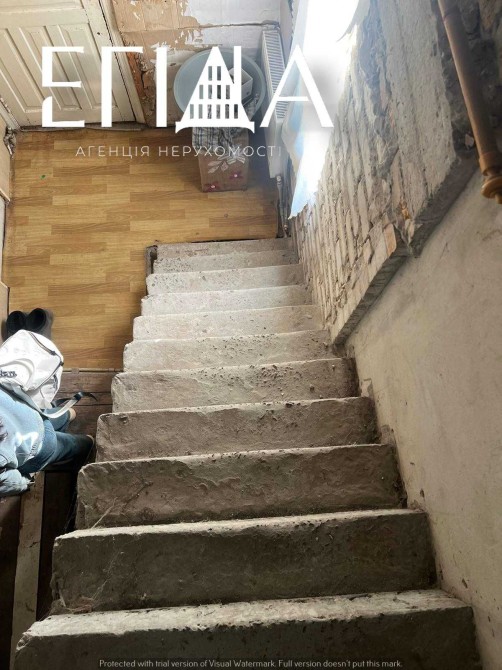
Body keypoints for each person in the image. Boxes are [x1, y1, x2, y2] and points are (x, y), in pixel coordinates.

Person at [0, 385, 94, 496]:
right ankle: (68, 414)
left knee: (66, 446)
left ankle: (88, 443)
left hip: (40, 445)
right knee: (45, 420)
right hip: (29, 413)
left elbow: (11, 483)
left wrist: (27, 482)